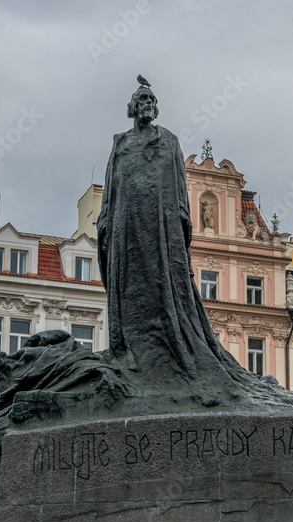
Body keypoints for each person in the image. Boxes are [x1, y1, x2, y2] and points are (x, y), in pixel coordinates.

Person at [96, 85, 248, 388]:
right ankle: (129, 349)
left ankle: (168, 351)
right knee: (128, 283)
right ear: (132, 107)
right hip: (126, 224)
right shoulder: (120, 144)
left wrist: (181, 222)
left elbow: (179, 187)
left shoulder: (168, 141)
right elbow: (111, 187)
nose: (148, 104)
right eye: (142, 100)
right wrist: (105, 219)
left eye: (152, 100)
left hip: (159, 226)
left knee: (163, 283)